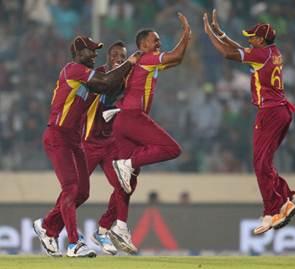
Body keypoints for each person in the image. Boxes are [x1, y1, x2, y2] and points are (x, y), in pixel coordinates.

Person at [33, 35, 140, 257]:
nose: (94, 54)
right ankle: (73, 244)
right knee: (71, 188)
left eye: (95, 50)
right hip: (57, 136)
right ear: (79, 53)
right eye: (91, 51)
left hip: (74, 139)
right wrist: (129, 62)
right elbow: (107, 82)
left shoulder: (86, 78)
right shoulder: (73, 70)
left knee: (82, 193)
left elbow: (111, 87)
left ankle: (46, 227)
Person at [203, 10, 295, 235]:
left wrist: (210, 34)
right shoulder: (272, 52)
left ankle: (271, 212)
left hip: (270, 112)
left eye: (253, 37)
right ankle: (284, 202)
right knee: (265, 163)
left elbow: (229, 54)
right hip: (283, 111)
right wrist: (222, 34)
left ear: (262, 39)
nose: (250, 40)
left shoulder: (260, 54)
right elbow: (244, 51)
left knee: (260, 165)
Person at [107, 12, 191, 250]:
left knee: (126, 184)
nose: (159, 43)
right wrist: (186, 34)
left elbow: (177, 60)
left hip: (122, 122)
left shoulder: (143, 62)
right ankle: (128, 164)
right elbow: (176, 55)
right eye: (155, 40)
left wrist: (183, 43)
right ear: (143, 44)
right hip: (133, 118)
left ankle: (120, 227)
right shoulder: (147, 58)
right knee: (172, 149)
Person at [82, 41, 133, 255]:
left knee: (124, 185)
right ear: (108, 58)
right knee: (75, 191)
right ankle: (50, 227)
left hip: (111, 143)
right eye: (114, 55)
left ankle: (103, 229)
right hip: (89, 142)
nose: (119, 58)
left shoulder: (129, 79)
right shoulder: (97, 75)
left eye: (122, 56)